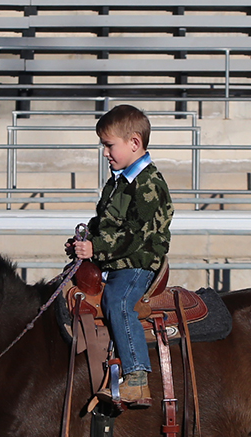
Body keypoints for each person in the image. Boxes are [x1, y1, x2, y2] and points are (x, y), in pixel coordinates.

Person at [69, 104, 173, 408]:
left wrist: (97, 248)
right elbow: (104, 221)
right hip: (114, 259)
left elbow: (135, 235)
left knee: (118, 302)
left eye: (109, 145)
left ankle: (137, 379)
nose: (105, 153)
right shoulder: (118, 181)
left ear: (134, 143)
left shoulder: (149, 184)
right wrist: (85, 238)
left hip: (138, 263)